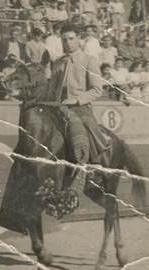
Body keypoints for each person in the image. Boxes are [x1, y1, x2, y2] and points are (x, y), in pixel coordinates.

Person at [47, 23, 111, 166]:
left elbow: (97, 90)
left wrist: (76, 100)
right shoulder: (58, 63)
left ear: (79, 39)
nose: (67, 43)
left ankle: (92, 167)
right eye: (64, 40)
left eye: (71, 39)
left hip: (79, 107)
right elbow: (51, 89)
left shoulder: (89, 60)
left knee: (84, 130)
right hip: (57, 107)